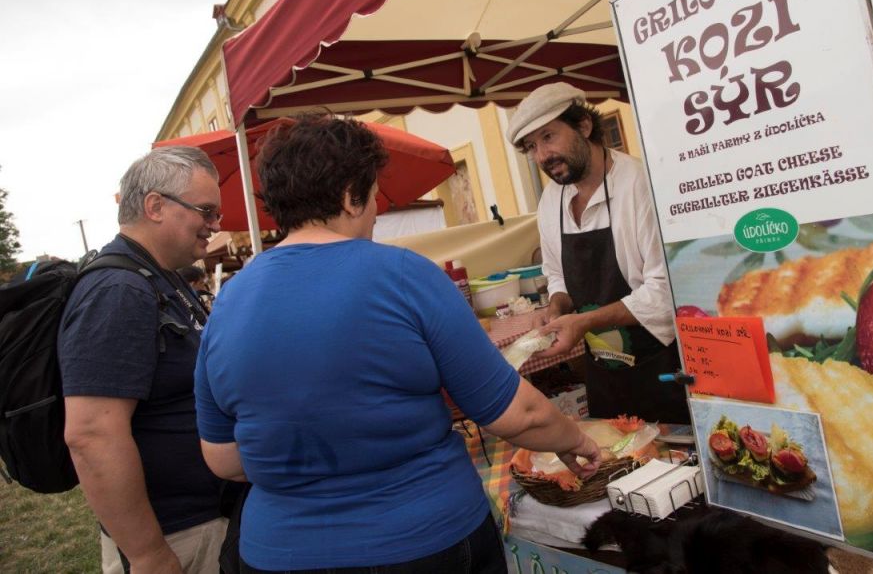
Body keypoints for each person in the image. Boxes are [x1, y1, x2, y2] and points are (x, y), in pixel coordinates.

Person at [194, 115, 601, 574]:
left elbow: (223, 458)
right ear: (350, 196)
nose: (375, 214)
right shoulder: (404, 275)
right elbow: (518, 414)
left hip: (279, 552)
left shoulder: (227, 302)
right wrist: (576, 440)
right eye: (372, 197)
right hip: (425, 541)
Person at [58, 146, 228, 574]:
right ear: (155, 206)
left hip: (197, 525)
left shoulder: (157, 277)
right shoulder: (119, 290)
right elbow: (92, 434)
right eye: (206, 211)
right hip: (176, 537)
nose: (215, 225)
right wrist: (148, 554)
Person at [506, 82, 687, 423]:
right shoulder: (552, 201)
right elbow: (557, 275)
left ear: (584, 126)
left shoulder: (639, 184)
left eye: (548, 137)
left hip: (661, 369)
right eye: (532, 146)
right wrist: (556, 307)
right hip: (603, 374)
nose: (542, 156)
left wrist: (585, 321)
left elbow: (665, 292)